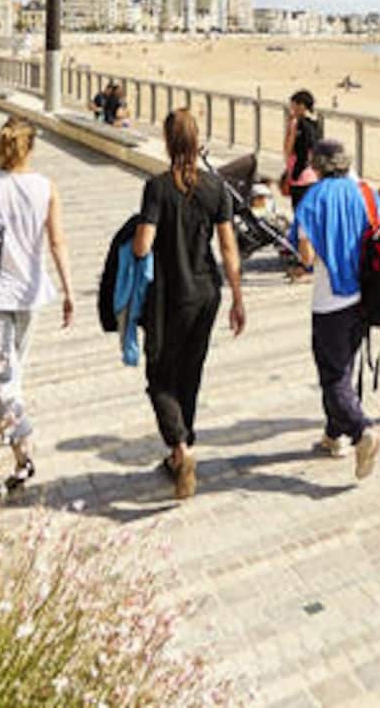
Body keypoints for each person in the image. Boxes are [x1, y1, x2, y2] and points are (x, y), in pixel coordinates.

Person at [0, 117, 75, 492]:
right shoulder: (45, 187)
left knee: (5, 377)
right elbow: (57, 242)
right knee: (10, 373)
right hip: (29, 294)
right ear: (31, 149)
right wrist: (69, 291)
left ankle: (23, 453)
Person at [133, 109, 246, 500]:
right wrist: (238, 298)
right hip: (206, 294)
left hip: (168, 296)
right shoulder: (216, 188)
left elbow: (143, 245)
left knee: (159, 376)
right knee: (191, 372)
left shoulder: (157, 188)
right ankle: (183, 451)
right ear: (197, 141)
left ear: (168, 142)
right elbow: (229, 249)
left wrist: (136, 236)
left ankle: (180, 446)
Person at [290, 139, 380, 480]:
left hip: (329, 301)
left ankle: (361, 431)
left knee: (332, 375)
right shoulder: (364, 192)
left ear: (317, 165)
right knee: (345, 367)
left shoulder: (313, 199)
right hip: (362, 296)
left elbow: (307, 256)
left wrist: (301, 266)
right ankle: (335, 434)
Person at [282, 90, 322, 205]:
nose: (291, 109)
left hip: (299, 174)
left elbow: (287, 149)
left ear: (301, 106)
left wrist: (290, 128)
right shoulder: (316, 124)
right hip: (313, 174)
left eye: (293, 106)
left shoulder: (297, 123)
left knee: (299, 211)